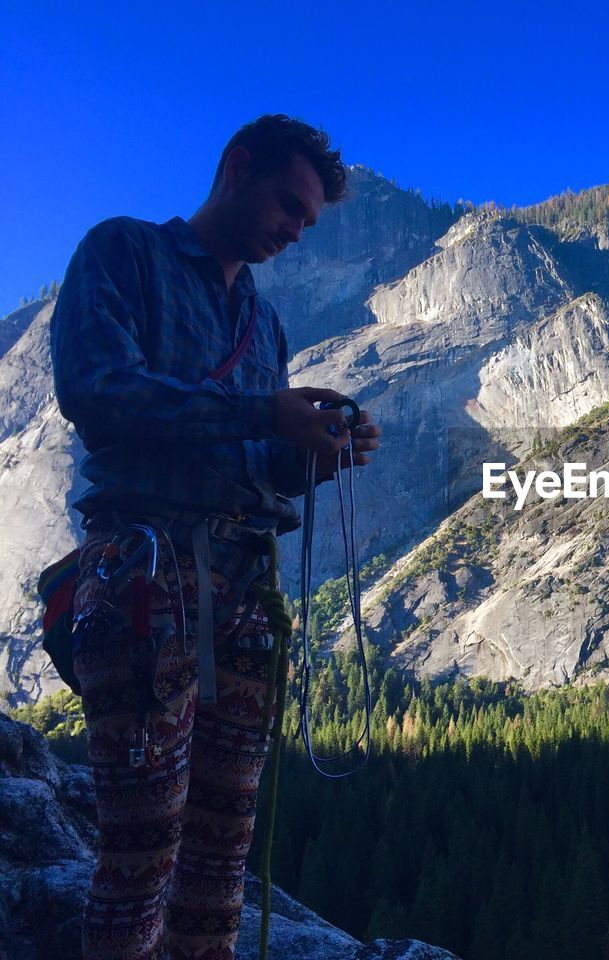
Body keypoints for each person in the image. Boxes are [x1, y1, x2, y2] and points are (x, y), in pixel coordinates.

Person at [49, 114, 382, 960]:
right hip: (144, 582)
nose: (295, 232)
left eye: (308, 223)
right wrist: (261, 412)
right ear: (236, 168)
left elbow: (260, 466)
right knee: (141, 847)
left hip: (242, 598)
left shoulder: (262, 327)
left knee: (221, 854)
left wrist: (319, 454)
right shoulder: (122, 254)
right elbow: (99, 391)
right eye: (287, 206)